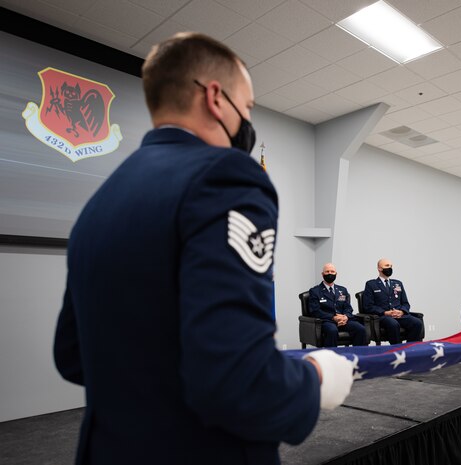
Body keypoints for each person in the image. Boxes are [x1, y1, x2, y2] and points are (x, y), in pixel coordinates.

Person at [52, 32, 353, 465]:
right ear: (215, 97)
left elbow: (73, 357)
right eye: (246, 107)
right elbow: (238, 379)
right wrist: (314, 378)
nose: (247, 120)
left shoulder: (101, 202)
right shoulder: (227, 177)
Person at [362, 258, 423, 344]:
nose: (389, 268)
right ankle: (397, 351)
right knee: (393, 324)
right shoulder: (371, 284)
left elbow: (405, 303)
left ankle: (409, 349)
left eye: (391, 266)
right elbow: (368, 306)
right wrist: (385, 312)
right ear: (379, 268)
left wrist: (402, 311)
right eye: (387, 266)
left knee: (417, 323)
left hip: (399, 315)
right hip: (383, 317)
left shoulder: (398, 283)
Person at [308, 263, 368, 347]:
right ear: (322, 274)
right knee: (332, 330)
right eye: (327, 271)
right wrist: (333, 317)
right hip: (327, 321)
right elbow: (315, 311)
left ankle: (358, 356)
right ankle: (331, 358)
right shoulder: (315, 291)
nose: (330, 274)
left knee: (360, 329)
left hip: (344, 321)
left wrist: (345, 317)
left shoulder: (342, 290)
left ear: (336, 274)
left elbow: (348, 307)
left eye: (332, 271)